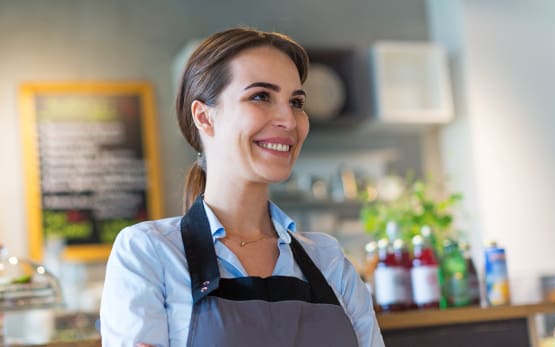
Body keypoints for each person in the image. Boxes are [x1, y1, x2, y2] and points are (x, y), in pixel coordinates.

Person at [100, 27, 384, 347]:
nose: (289, 120)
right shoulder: (149, 253)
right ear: (204, 117)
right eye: (261, 96)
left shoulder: (328, 259)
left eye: (296, 102)